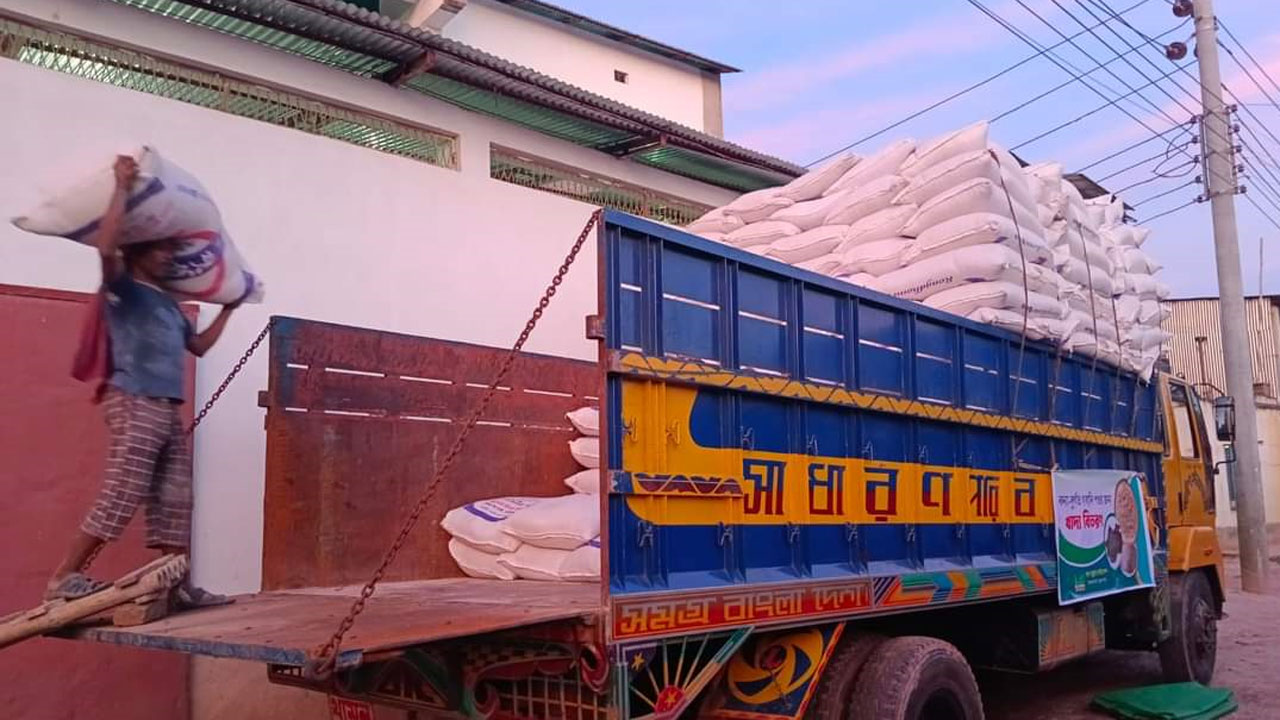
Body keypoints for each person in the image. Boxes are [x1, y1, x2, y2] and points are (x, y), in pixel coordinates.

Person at [45, 155, 237, 609]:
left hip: (165, 405)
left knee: (176, 498)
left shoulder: (169, 304)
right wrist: (120, 186)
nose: (168, 255)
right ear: (137, 253)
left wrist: (229, 309)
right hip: (133, 398)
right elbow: (105, 249)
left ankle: (175, 585)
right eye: (159, 249)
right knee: (124, 488)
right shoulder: (123, 288)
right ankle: (64, 577)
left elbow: (199, 347)